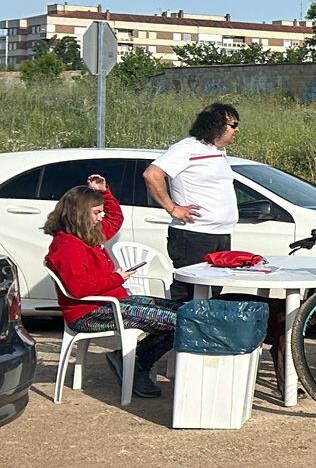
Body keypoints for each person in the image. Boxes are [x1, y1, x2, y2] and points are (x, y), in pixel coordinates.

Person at [44, 176, 179, 398]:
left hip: (111, 303)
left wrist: (105, 193)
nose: (102, 216)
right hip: (90, 312)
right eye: (97, 212)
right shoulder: (67, 246)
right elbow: (79, 288)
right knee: (178, 321)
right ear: (79, 214)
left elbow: (115, 219)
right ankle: (138, 366)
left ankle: (135, 362)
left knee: (180, 311)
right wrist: (117, 277)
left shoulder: (86, 235)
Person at [144, 102, 241, 302]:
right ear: (216, 125)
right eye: (233, 124)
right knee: (188, 292)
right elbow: (152, 175)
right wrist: (173, 208)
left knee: (211, 293)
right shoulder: (187, 148)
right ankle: (175, 332)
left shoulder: (216, 151)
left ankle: (201, 333)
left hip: (220, 233)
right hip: (194, 235)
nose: (236, 130)